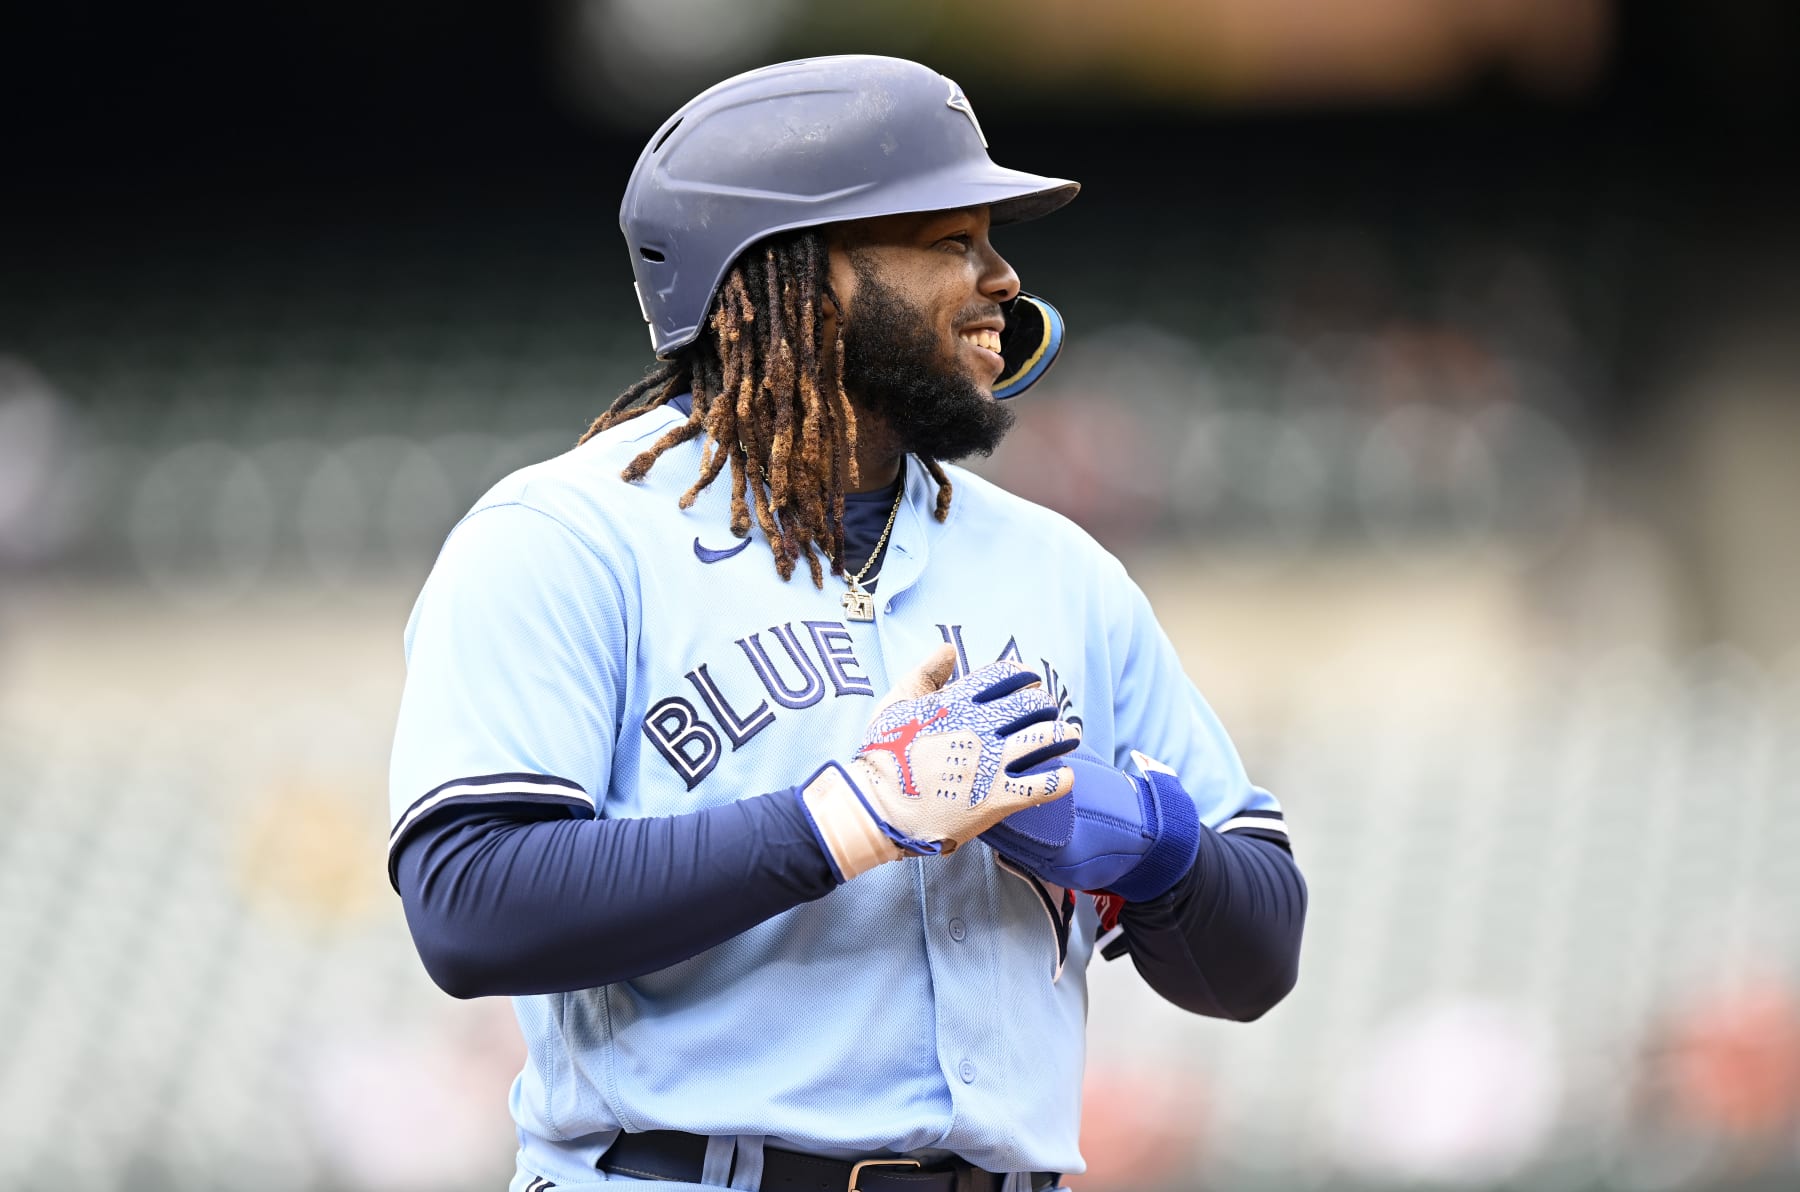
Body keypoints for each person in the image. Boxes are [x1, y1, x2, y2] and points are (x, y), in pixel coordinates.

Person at [387, 54, 1306, 1192]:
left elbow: (1258, 955)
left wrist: (1159, 850)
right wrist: (842, 819)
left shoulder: (1059, 568)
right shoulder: (565, 536)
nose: (1002, 277)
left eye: (991, 240)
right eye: (947, 239)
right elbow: (471, 903)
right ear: (787, 275)